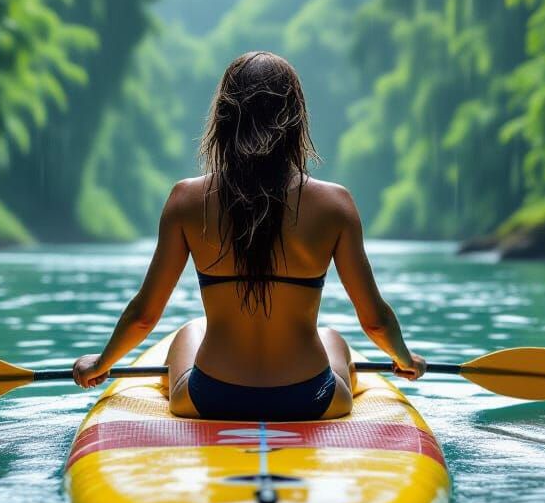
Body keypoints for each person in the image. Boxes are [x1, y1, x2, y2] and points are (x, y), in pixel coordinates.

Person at [72, 51, 426, 420]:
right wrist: (404, 358)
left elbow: (144, 316)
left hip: (211, 397)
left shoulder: (186, 200)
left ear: (225, 119)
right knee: (332, 337)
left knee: (191, 330)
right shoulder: (335, 204)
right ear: (295, 121)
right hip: (311, 398)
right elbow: (374, 321)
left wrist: (100, 362)